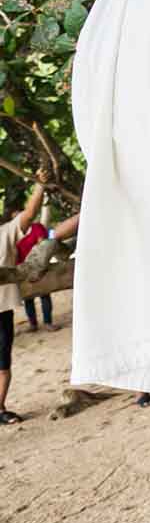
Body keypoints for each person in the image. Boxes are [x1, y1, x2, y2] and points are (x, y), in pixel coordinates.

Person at [0, 174, 52, 425]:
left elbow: (30, 214)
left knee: (2, 362)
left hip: (2, 309)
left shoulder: (5, 233)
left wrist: (40, 185)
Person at [15, 212, 52, 332]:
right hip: (22, 269)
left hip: (39, 266)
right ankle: (33, 324)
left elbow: (42, 245)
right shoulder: (15, 233)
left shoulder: (37, 227)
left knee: (44, 295)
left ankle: (48, 322)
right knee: (28, 299)